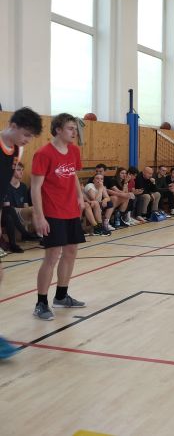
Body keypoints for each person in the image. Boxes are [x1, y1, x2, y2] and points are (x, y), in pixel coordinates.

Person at [31, 113, 87, 321]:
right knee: (52, 256)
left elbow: (73, 175)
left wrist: (80, 196)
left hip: (71, 210)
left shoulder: (74, 150)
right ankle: (41, 303)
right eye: (71, 128)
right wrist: (39, 216)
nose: (75, 132)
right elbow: (35, 188)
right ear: (58, 130)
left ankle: (61, 296)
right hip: (52, 212)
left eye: (75, 129)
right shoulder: (43, 153)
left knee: (71, 252)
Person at [0, 107, 42, 356]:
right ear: (13, 126)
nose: (28, 140)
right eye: (26, 134)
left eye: (31, 136)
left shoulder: (18, 150)